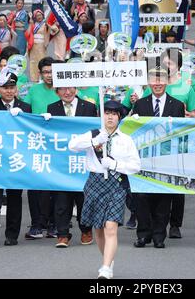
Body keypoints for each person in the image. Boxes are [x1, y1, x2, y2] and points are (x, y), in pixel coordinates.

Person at [68, 100, 141, 279]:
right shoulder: (93, 134)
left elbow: (136, 166)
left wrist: (115, 164)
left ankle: (106, 269)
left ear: (119, 117)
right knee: (98, 229)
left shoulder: (126, 140)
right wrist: (94, 141)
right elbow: (72, 146)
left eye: (114, 114)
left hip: (116, 184)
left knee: (110, 227)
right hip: (95, 182)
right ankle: (107, 260)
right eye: (107, 113)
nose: (110, 116)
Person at [132, 67, 185, 249]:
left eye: (161, 79)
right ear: (148, 82)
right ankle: (143, 234)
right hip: (144, 160)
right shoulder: (140, 104)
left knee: (164, 199)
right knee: (141, 198)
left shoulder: (177, 105)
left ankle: (159, 236)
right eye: (154, 79)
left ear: (167, 82)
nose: (157, 83)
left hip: (167, 160)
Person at [46, 85, 97, 248]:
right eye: (62, 89)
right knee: (61, 200)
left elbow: (94, 132)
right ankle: (62, 234)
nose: (67, 92)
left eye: (70, 88)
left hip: (83, 162)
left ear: (76, 89)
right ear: (56, 92)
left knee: (83, 199)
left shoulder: (89, 107)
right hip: (61, 163)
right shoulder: (51, 108)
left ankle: (86, 230)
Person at [0, 69, 31, 247]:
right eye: (5, 87)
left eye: (12, 87)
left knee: (14, 198)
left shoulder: (25, 107)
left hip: (16, 159)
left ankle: (11, 235)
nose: (9, 90)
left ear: (16, 89)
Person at [23, 57, 60, 239]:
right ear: (40, 73)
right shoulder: (33, 90)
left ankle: (53, 224)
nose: (49, 75)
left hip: (57, 143)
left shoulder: (63, 90)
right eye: (45, 72)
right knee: (34, 185)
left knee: (55, 185)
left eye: (52, 71)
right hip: (36, 142)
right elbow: (24, 110)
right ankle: (37, 224)